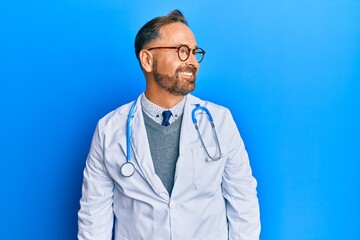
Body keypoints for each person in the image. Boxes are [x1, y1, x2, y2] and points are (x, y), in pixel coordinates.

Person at [78, 9, 260, 240]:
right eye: (182, 51)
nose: (193, 62)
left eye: (195, 53)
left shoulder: (220, 121)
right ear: (147, 59)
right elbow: (94, 216)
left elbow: (243, 201)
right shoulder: (109, 129)